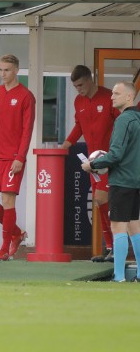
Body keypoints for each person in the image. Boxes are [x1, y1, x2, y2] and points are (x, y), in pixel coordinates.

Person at [81, 82, 140, 282]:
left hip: (122, 181)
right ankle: (139, 274)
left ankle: (119, 277)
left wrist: (93, 164)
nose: (112, 97)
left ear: (129, 97)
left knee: (118, 228)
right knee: (135, 228)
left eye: (117, 93)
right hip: (136, 182)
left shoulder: (123, 120)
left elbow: (115, 155)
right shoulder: (138, 119)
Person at [61, 65, 118, 262]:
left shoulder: (110, 97)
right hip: (92, 162)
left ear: (90, 79)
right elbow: (79, 126)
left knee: (103, 200)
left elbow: (122, 124)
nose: (79, 89)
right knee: (99, 203)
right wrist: (66, 145)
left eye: (81, 85)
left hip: (110, 161)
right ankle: (110, 247)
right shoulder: (79, 101)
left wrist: (117, 153)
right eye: (75, 86)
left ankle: (116, 247)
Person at [0, 54, 35, 261]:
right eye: (0, 69)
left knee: (8, 200)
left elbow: (27, 130)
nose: (2, 74)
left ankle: (4, 248)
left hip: (12, 158)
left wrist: (20, 157)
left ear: (16, 71)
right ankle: (16, 234)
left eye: (7, 70)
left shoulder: (26, 96)